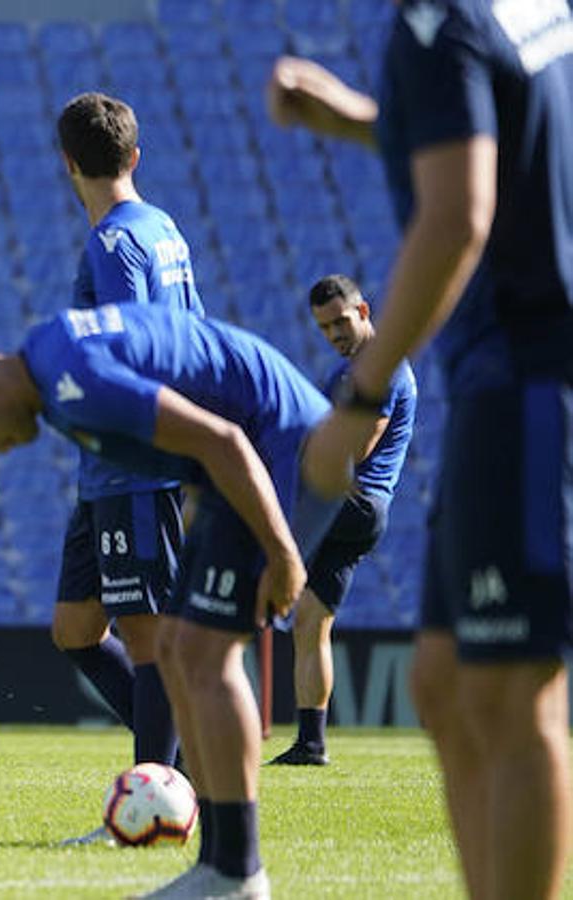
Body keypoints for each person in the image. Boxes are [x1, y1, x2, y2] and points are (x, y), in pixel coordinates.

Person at [270, 4, 573, 894]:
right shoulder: (526, 11)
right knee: (443, 683)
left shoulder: (437, 22)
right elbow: (495, 155)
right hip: (506, 377)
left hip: (524, 372)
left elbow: (456, 217)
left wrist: (359, 394)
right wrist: (361, 122)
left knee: (508, 697)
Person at [0, 302, 343, 899]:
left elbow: (223, 436)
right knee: (178, 648)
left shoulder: (74, 380)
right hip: (242, 464)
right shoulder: (51, 366)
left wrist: (283, 551)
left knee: (207, 656)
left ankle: (237, 871)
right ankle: (220, 864)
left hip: (283, 449)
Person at [52, 93, 205, 792]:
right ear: (133, 156)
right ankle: (175, 766)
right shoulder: (164, 229)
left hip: (133, 464)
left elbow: (132, 345)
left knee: (146, 640)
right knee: (75, 628)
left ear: (67, 164)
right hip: (106, 470)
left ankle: (157, 797)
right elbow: (193, 333)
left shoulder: (113, 240)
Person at [269, 276, 415, 767]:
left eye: (340, 322)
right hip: (355, 509)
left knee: (245, 520)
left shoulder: (381, 372)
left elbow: (353, 451)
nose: (334, 334)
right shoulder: (346, 372)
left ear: (364, 311)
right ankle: (312, 743)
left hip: (352, 501)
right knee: (310, 623)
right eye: (324, 327)